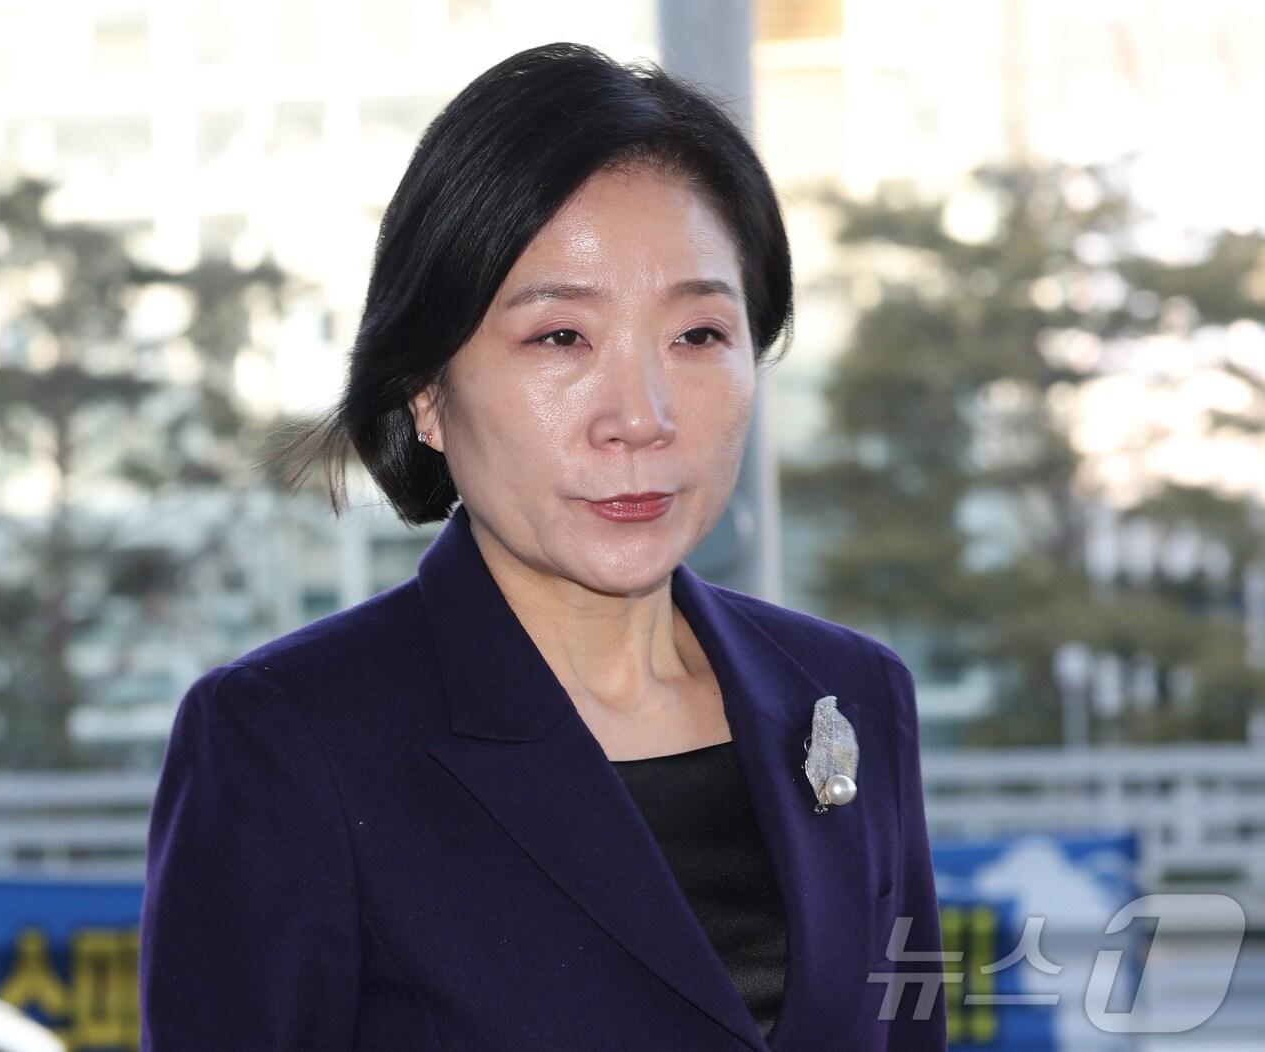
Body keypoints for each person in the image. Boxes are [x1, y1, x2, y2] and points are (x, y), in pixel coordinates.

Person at [139, 41, 948, 1051]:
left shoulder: (850, 695)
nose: (641, 417)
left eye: (698, 335)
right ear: (425, 390)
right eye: (560, 338)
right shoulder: (289, 743)